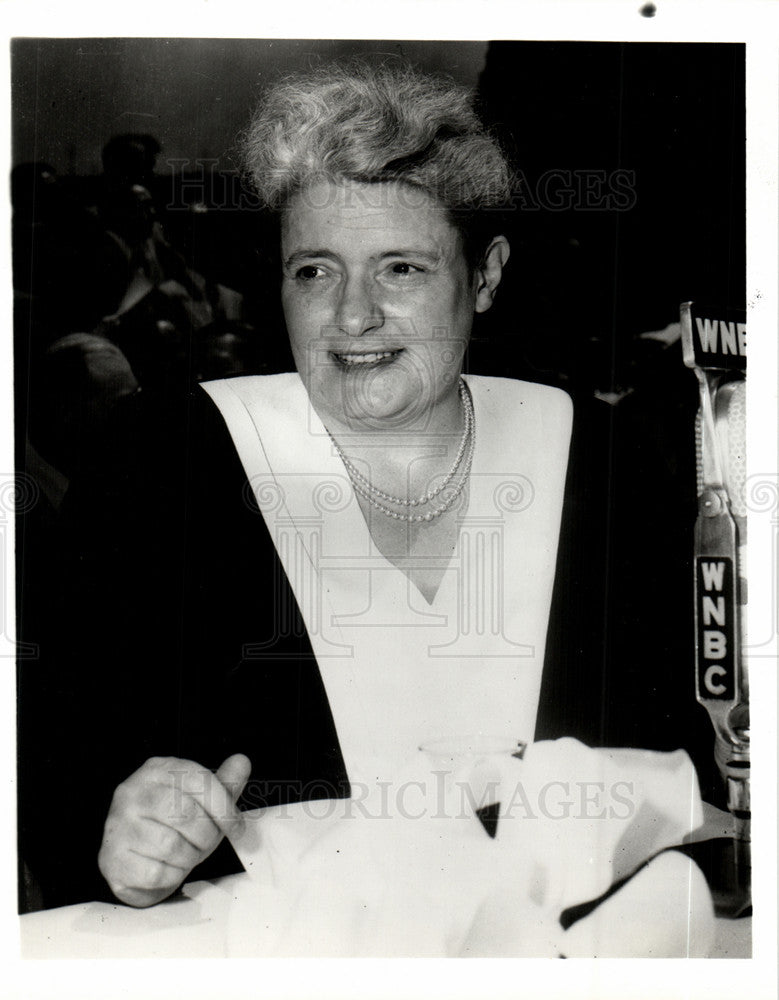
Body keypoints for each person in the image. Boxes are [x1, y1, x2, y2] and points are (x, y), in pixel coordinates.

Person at [24, 62, 713, 953]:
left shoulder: (604, 462)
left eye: (401, 268)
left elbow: (689, 764)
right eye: (314, 270)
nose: (352, 315)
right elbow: (56, 767)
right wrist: (123, 837)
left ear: (486, 274)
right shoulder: (166, 465)